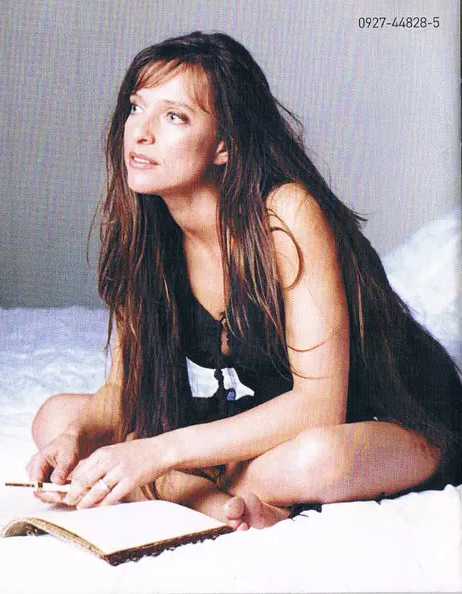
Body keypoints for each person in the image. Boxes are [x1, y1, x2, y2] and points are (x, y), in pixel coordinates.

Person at [26, 31, 462, 530]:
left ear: (224, 145)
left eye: (174, 117)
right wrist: (77, 436)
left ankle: (200, 496)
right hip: (269, 421)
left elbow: (319, 408)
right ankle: (230, 503)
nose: (140, 133)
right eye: (136, 107)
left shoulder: (284, 214)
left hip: (385, 423)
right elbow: (124, 387)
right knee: (54, 418)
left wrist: (157, 453)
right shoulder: (144, 235)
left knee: (314, 459)